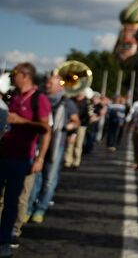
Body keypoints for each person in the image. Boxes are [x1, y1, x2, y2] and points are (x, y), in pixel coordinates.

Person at [0, 63, 51, 258]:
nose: (12, 77)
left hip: (21, 157)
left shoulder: (39, 99)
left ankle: (4, 239)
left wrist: (40, 158)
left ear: (25, 75)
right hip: (3, 153)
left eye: (15, 74)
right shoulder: (12, 96)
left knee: (12, 201)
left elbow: (46, 130)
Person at [26, 71, 80, 223]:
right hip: (38, 142)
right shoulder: (40, 98)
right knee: (34, 177)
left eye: (51, 83)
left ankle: (40, 209)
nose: (47, 85)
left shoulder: (67, 102)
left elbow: (76, 121)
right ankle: (29, 208)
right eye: (47, 82)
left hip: (56, 144)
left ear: (59, 85)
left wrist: (70, 127)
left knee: (49, 179)